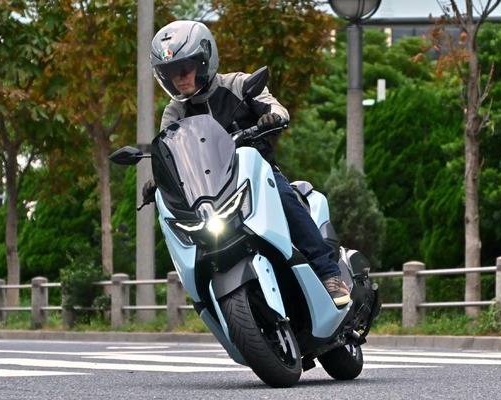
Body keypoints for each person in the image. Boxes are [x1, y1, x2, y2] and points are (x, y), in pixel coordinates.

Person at [148, 20, 350, 306]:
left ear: (204, 60)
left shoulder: (239, 84)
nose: (179, 78)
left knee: (284, 197)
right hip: (209, 191)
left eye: (184, 69)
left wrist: (273, 116)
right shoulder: (175, 112)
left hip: (255, 174)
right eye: (170, 73)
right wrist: (157, 178)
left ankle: (329, 273)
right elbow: (169, 152)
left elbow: (275, 106)